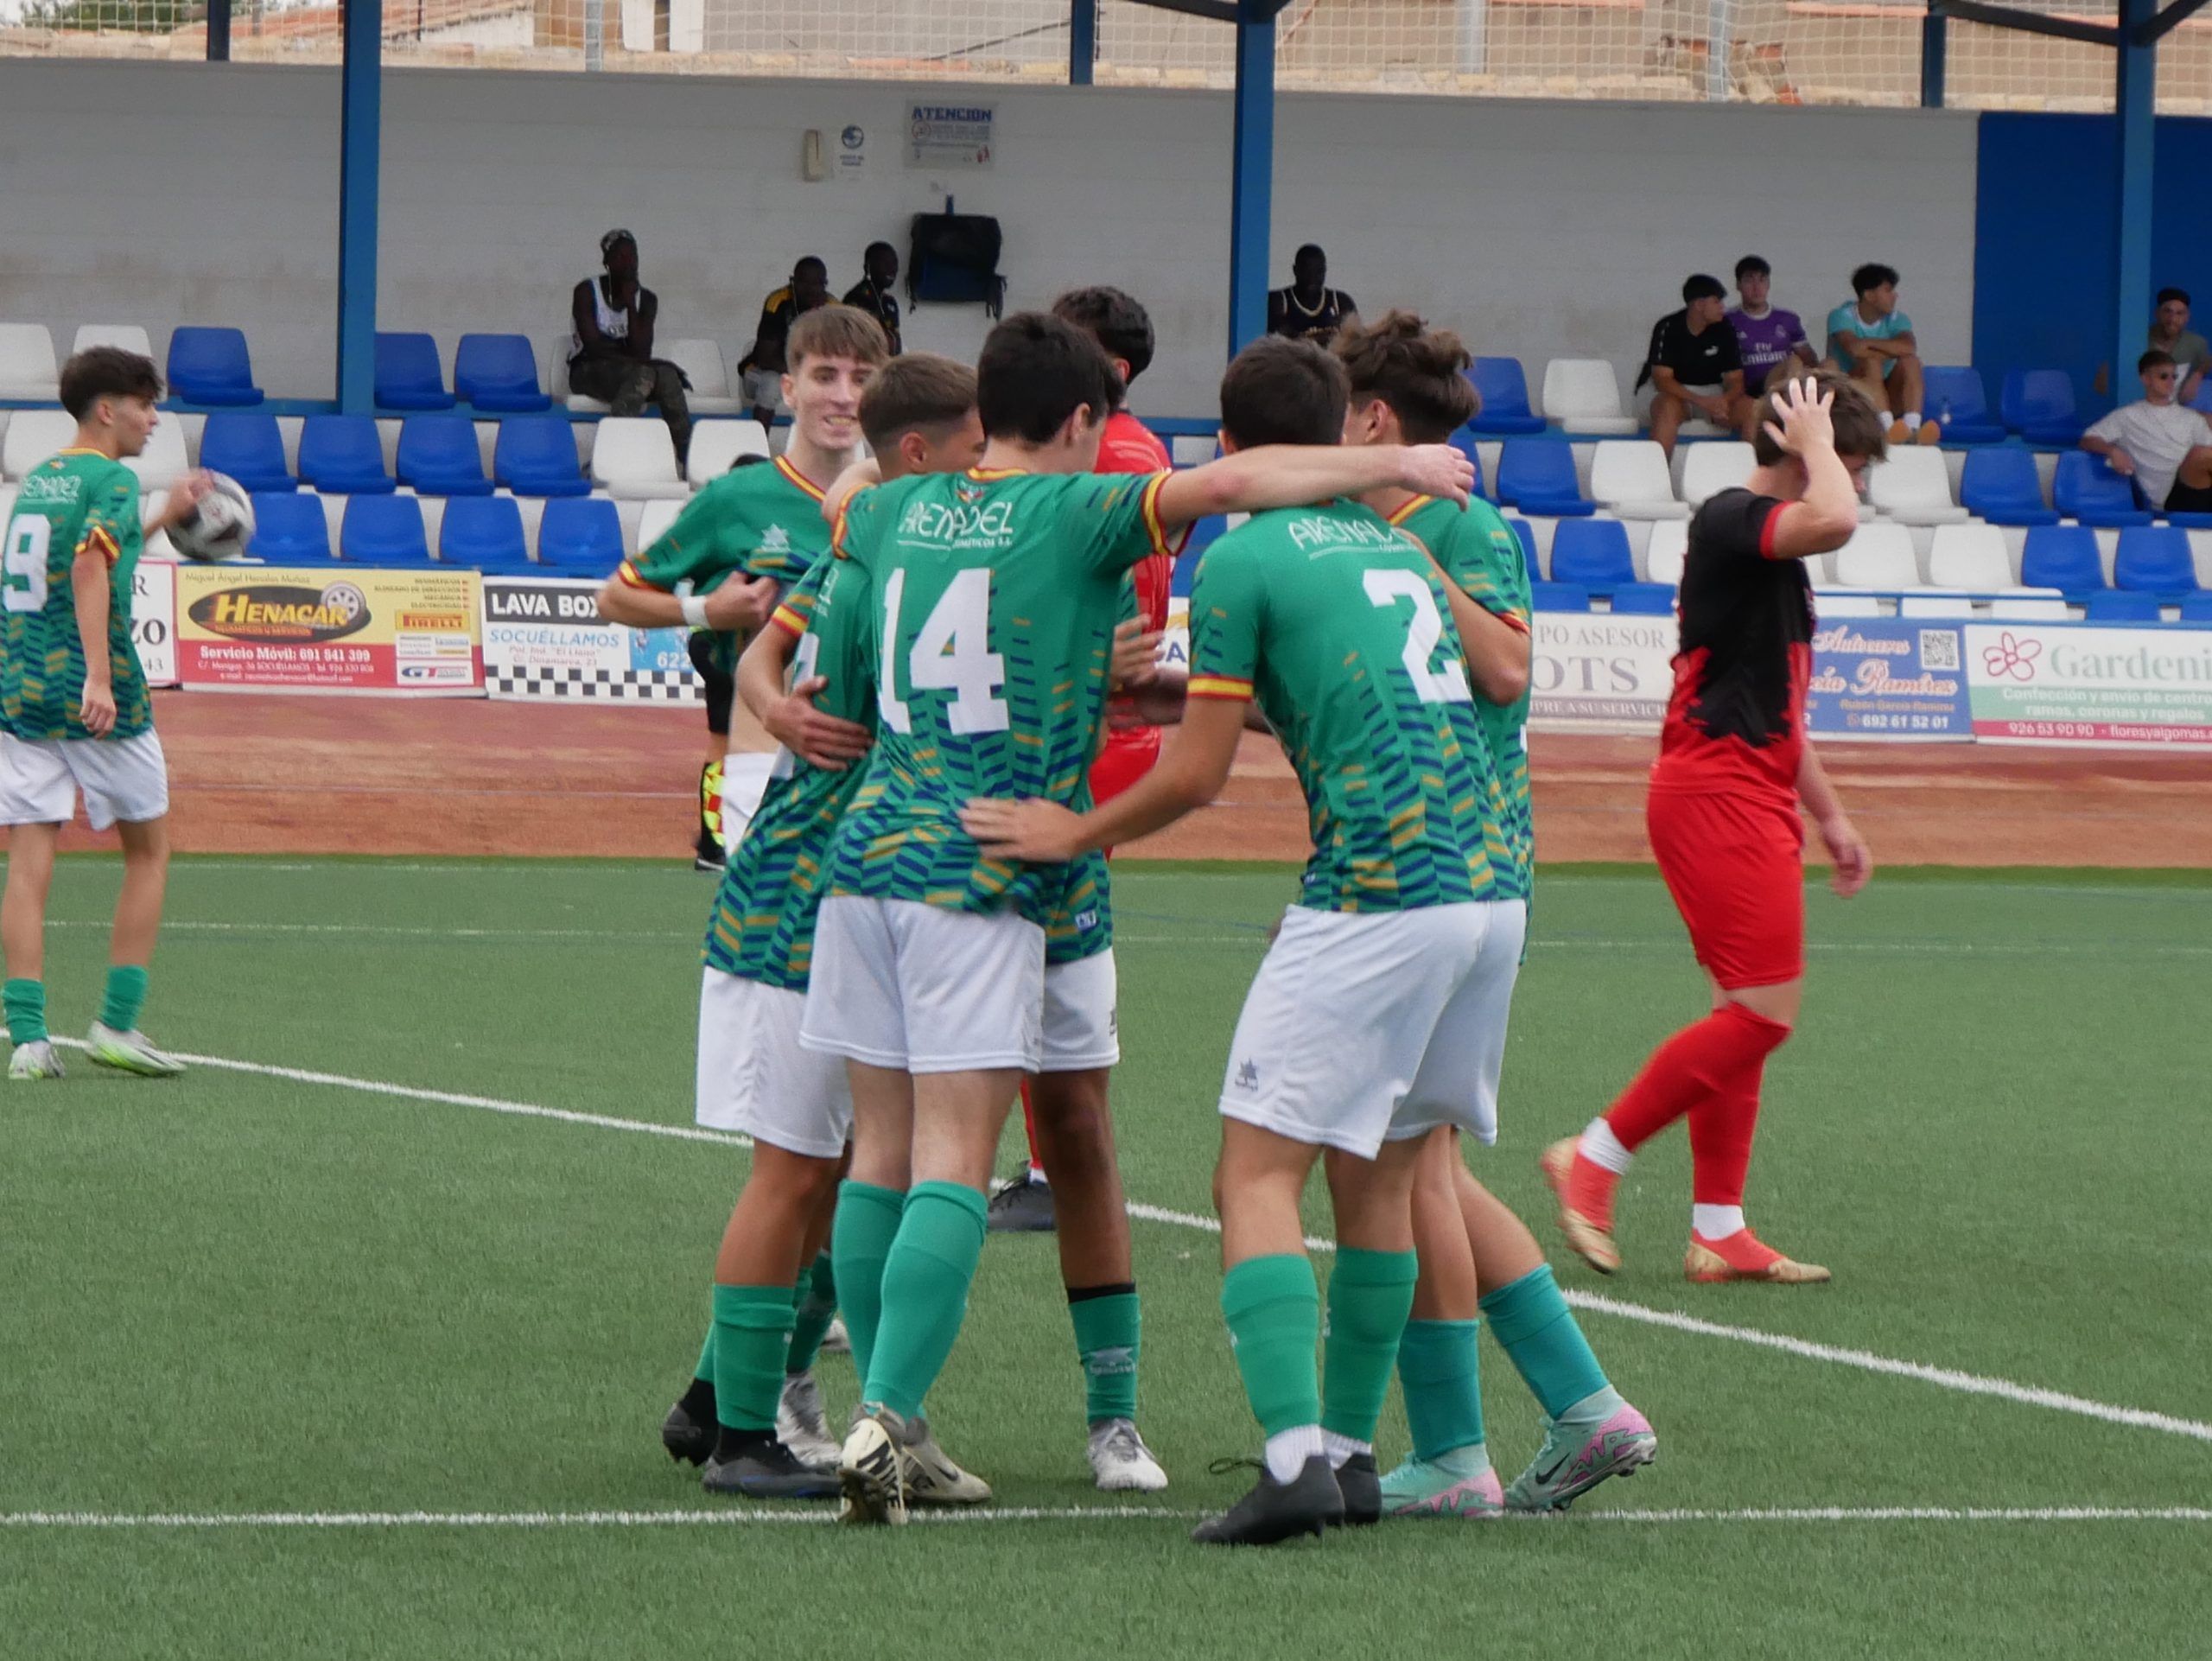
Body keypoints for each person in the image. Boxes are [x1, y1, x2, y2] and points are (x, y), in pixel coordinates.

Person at [799, 314, 1475, 1527]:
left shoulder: (894, 509)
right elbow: (1238, 479)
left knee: (883, 1155)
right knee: (961, 1153)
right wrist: (1392, 464)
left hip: (869, 857)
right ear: (1078, 426)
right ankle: (885, 1421)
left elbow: (851, 606)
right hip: (990, 860)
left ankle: (896, 1416)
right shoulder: (1080, 509)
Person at [960, 335, 1514, 1548]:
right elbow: (1344, 687)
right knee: (1374, 1173)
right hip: (1483, 894)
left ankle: (1288, 1461)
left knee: (1254, 1174)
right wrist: (1189, 695)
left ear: (1229, 437)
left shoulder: (1244, 549)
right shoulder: (1392, 543)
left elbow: (1196, 780)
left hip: (1374, 889)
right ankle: (1356, 1454)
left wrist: (1078, 829)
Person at [1332, 311, 1657, 1518]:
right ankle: (1579, 1407)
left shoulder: (1451, 526)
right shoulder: (1378, 525)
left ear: (1370, 420)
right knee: (1426, 1160)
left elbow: (1512, 669)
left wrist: (1413, 567)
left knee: (1399, 1162)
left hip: (1445, 875)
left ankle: (1460, 1450)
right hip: (1435, 875)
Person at [658, 353, 993, 1508]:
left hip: (842, 905)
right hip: (794, 904)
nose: (982, 467)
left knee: (845, 1166)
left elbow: (766, 651)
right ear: (918, 458)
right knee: (794, 1172)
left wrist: (772, 696)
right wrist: (776, 705)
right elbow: (759, 650)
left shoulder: (862, 550)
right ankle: (746, 1428)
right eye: (968, 447)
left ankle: (716, 1390)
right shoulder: (879, 558)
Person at [1545, 372, 1881, 1288]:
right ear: (1803, 446)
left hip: (1753, 790)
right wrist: (1816, 444)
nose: (1852, 481)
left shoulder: (1778, 558)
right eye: (1849, 462)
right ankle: (1595, 1156)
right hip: (1714, 793)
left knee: (1743, 1014)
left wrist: (1831, 814)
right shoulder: (1730, 519)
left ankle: (1718, 1229)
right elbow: (1838, 516)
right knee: (1764, 1015)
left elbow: (1782, 707)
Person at [987, 283, 1175, 1238]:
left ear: (1114, 372)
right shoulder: (1140, 458)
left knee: (1034, 932)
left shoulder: (1113, 456)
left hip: (1087, 718)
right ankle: (1056, 1156)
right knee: (1055, 935)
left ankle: (1047, 1163)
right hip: (1113, 713)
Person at [596, 306, 888, 866]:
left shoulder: (902, 497)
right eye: (825, 376)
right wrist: (707, 610)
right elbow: (613, 598)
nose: (845, 396)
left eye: (863, 379)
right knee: (764, 947)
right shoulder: (736, 499)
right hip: (768, 767)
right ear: (789, 389)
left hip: (880, 772)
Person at [1, 347, 211, 1082]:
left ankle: (28, 1041)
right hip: (93, 690)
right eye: (144, 405)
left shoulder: (42, 482)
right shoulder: (112, 477)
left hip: (21, 688)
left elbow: (93, 554)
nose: (154, 420)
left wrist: (166, 516)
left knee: (29, 860)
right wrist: (99, 675)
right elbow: (91, 568)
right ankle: (116, 1025)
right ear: (106, 410)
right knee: (148, 851)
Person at [567, 229, 693, 463]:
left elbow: (641, 351)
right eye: (621, 257)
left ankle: (687, 457)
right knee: (645, 372)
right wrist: (641, 361)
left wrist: (630, 307)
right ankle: (612, 455)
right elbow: (593, 348)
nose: (629, 263)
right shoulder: (587, 292)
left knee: (666, 375)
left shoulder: (646, 299)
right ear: (607, 262)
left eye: (633, 256)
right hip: (587, 370)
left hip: (629, 370)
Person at [2081, 350, 2212, 514]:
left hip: (2199, 491)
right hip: (2167, 500)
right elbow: (2087, 439)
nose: (2170, 382)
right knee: (2200, 454)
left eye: (2174, 376)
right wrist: (2112, 451)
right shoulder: (2127, 416)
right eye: (2163, 376)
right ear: (2146, 379)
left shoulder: (2191, 418)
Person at [1640, 274, 1754, 456]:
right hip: (1675, 395)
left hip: (1713, 394)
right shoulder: (1668, 327)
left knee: (1752, 408)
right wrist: (1701, 401)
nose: (1722, 308)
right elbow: (1662, 380)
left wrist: (1724, 401)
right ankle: (1658, 476)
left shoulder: (1725, 328)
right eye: (1717, 302)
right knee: (1667, 409)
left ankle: (1748, 477)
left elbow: (1736, 380)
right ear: (1699, 305)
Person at [1826, 263, 1939, 445]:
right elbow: (1854, 349)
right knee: (1871, 364)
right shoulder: (1841, 315)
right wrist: (1890, 350)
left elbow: (1909, 347)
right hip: (1853, 395)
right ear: (1869, 295)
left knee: (1911, 361)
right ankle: (1885, 429)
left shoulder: (1898, 318)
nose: (1895, 296)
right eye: (1888, 290)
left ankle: (1911, 429)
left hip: (1889, 392)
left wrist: (1869, 343)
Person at [740, 257, 833, 429]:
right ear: (793, 282)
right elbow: (766, 358)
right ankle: (758, 448)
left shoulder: (833, 308)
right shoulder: (778, 302)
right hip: (761, 373)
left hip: (806, 374)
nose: (810, 290)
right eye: (804, 283)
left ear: (825, 284)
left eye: (817, 284)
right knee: (772, 384)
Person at [1727, 256, 1817, 396]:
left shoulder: (1788, 318)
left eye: (1762, 280)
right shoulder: (1728, 320)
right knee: (1792, 362)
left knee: (1824, 364)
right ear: (1738, 285)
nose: (1757, 288)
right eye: (1749, 281)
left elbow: (1808, 358)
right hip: (1747, 388)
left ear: (1768, 284)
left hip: (1781, 382)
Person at [1267, 245, 1357, 345]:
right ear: (1295, 270)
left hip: (1330, 360)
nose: (1312, 277)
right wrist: (1325, 337)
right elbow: (1283, 340)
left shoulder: (1341, 303)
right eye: (1306, 270)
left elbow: (1356, 342)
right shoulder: (1278, 301)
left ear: (1325, 271)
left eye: (1318, 271)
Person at [2148, 289, 2209, 406]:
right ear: (2157, 313)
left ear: (2187, 317)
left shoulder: (2196, 343)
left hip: (2177, 408)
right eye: (2167, 312)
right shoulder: (2136, 340)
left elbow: (2206, 362)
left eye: (2179, 313)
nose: (2172, 320)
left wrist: (2198, 375)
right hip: (2143, 407)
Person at [842, 243, 903, 357]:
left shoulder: (889, 302)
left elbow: (895, 341)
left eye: (894, 263)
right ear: (868, 267)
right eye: (885, 263)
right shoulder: (857, 298)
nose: (892, 269)